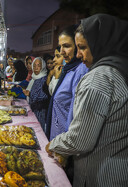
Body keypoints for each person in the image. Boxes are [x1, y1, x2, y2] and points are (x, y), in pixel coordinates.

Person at [46, 13, 128, 187]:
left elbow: (81, 140)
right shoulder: (120, 69)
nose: (78, 55)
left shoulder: (99, 77)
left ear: (100, 43)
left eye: (82, 47)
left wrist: (53, 145)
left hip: (100, 176)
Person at [45, 25, 88, 141]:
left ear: (77, 46)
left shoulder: (81, 70)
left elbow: (76, 118)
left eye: (67, 46)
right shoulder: (68, 69)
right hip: (57, 140)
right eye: (60, 46)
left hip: (65, 144)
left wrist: (64, 148)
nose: (62, 52)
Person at [23, 57, 49, 130]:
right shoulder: (34, 77)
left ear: (42, 66)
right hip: (33, 109)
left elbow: (44, 96)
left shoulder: (44, 79)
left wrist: (30, 94)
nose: (36, 67)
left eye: (38, 65)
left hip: (40, 112)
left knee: (39, 131)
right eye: (34, 65)